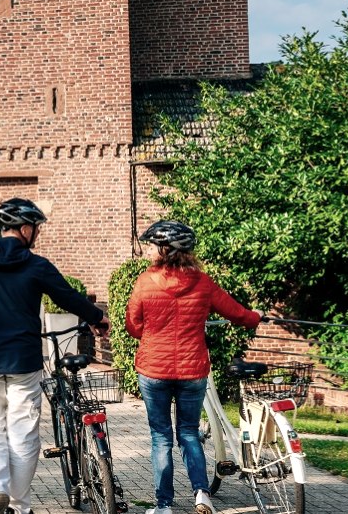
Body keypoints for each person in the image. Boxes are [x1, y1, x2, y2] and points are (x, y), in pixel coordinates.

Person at [0, 198, 110, 514]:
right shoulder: (37, 265)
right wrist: (97, 317)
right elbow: (68, 297)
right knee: (24, 434)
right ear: (24, 229)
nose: (36, 233)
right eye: (35, 227)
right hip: (24, 360)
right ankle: (19, 506)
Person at [125, 220, 262, 514]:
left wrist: (151, 333)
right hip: (192, 369)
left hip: (154, 369)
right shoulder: (203, 283)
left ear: (162, 250)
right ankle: (202, 494)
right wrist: (255, 317)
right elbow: (236, 312)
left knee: (160, 436)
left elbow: (133, 326)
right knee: (188, 432)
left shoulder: (145, 282)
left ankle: (164, 505)